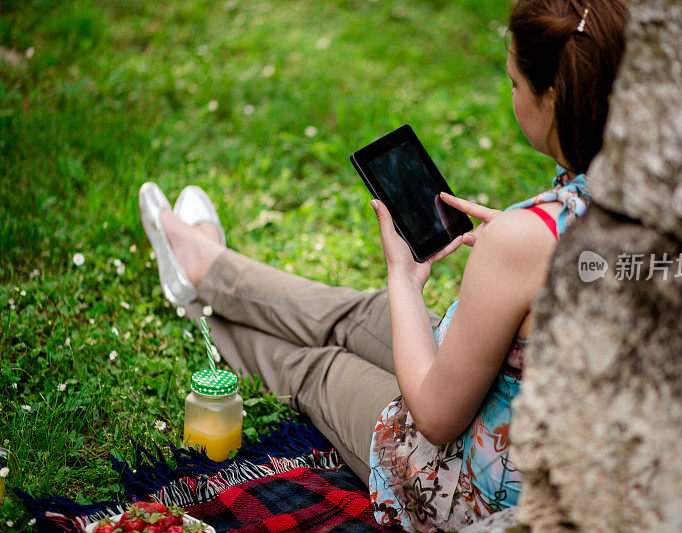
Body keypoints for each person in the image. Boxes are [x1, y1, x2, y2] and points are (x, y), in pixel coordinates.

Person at [139, 0, 627, 530]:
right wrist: (515, 249)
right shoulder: (655, 199)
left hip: (477, 489)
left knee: (319, 368)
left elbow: (437, 420)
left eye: (513, 82)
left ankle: (208, 315)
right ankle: (206, 268)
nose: (511, 94)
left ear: (554, 95)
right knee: (369, 315)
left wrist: (404, 275)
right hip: (549, 427)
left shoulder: (526, 239)